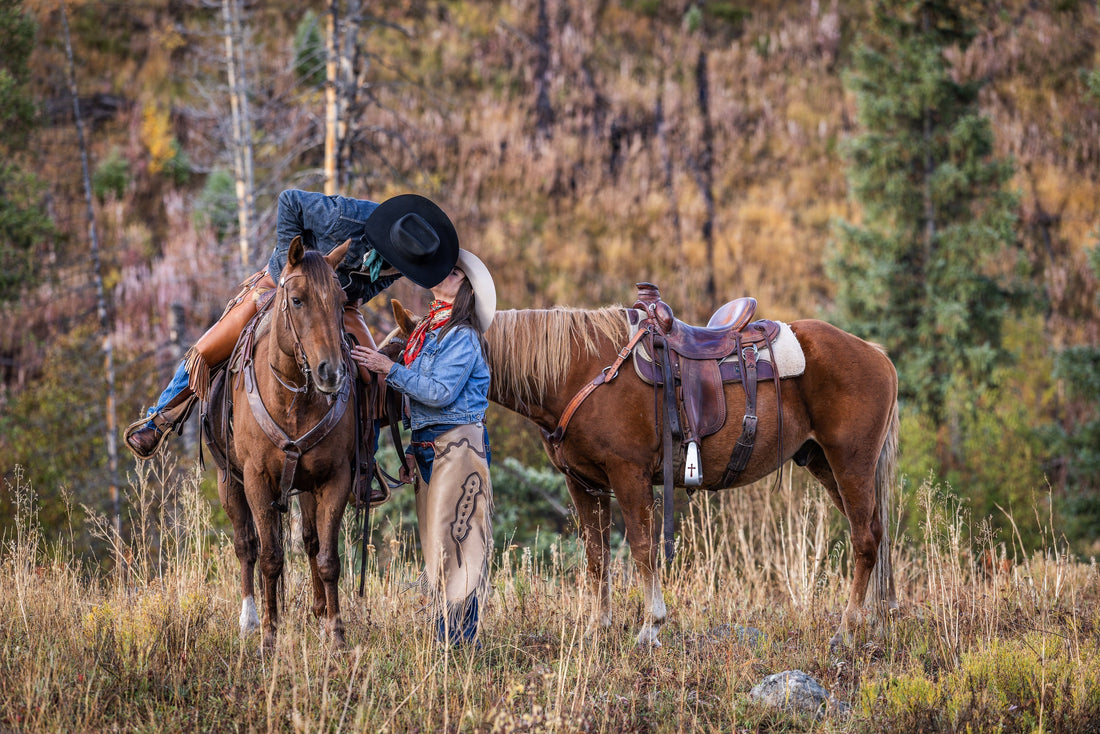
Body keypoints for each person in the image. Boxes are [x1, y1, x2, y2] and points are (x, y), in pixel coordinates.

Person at [124, 190, 460, 507]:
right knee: (209, 348)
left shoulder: (407, 262)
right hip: (283, 282)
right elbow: (289, 201)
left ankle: (362, 465)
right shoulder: (343, 217)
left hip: (338, 301)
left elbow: (370, 287)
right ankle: (158, 420)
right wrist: (290, 270)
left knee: (371, 375)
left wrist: (333, 300)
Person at [350, 249, 495, 646]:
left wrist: (387, 368)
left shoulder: (462, 336)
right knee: (439, 543)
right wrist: (414, 448)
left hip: (459, 446)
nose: (444, 273)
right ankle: (451, 638)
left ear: (466, 289)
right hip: (435, 447)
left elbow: (439, 391)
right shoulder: (429, 332)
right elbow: (425, 402)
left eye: (454, 272)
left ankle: (456, 640)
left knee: (458, 541)